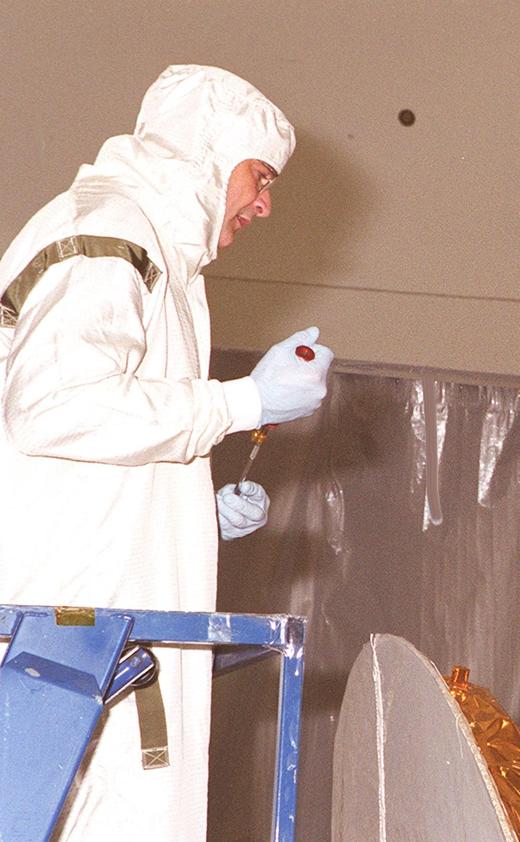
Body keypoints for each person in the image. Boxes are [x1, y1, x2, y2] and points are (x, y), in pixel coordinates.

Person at [0, 65, 332, 839]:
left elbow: (79, 444)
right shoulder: (112, 232)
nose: (264, 203)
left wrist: (186, 511)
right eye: (259, 177)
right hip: (71, 650)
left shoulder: (156, 257)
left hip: (90, 644)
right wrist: (238, 401)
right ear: (205, 154)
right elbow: (54, 406)